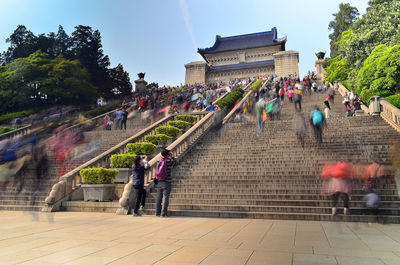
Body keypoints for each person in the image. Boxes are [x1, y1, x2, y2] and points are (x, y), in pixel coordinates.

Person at [155, 149, 176, 217]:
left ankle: (157, 212)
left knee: (158, 198)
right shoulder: (169, 161)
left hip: (159, 180)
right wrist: (172, 156)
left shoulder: (159, 160)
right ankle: (163, 212)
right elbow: (175, 162)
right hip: (167, 181)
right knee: (165, 198)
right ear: (168, 154)